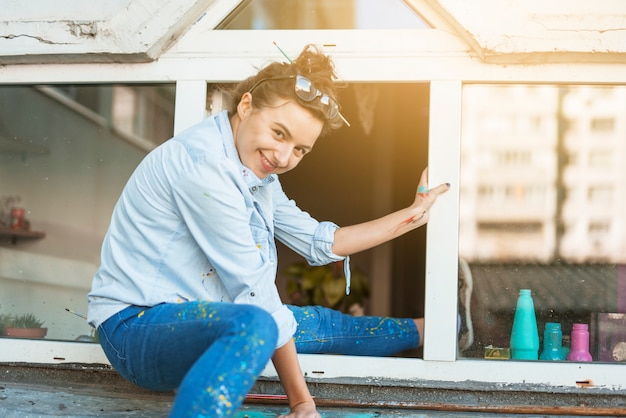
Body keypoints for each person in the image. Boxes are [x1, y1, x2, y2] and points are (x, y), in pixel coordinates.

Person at [87, 44, 450, 418]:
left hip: (202, 318)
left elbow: (320, 241)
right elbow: (255, 293)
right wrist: (302, 403)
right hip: (135, 330)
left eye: (300, 150)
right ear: (246, 106)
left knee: (310, 324)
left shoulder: (256, 174)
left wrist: (412, 214)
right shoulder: (204, 166)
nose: (282, 157)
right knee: (258, 323)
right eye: (279, 133)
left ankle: (437, 331)